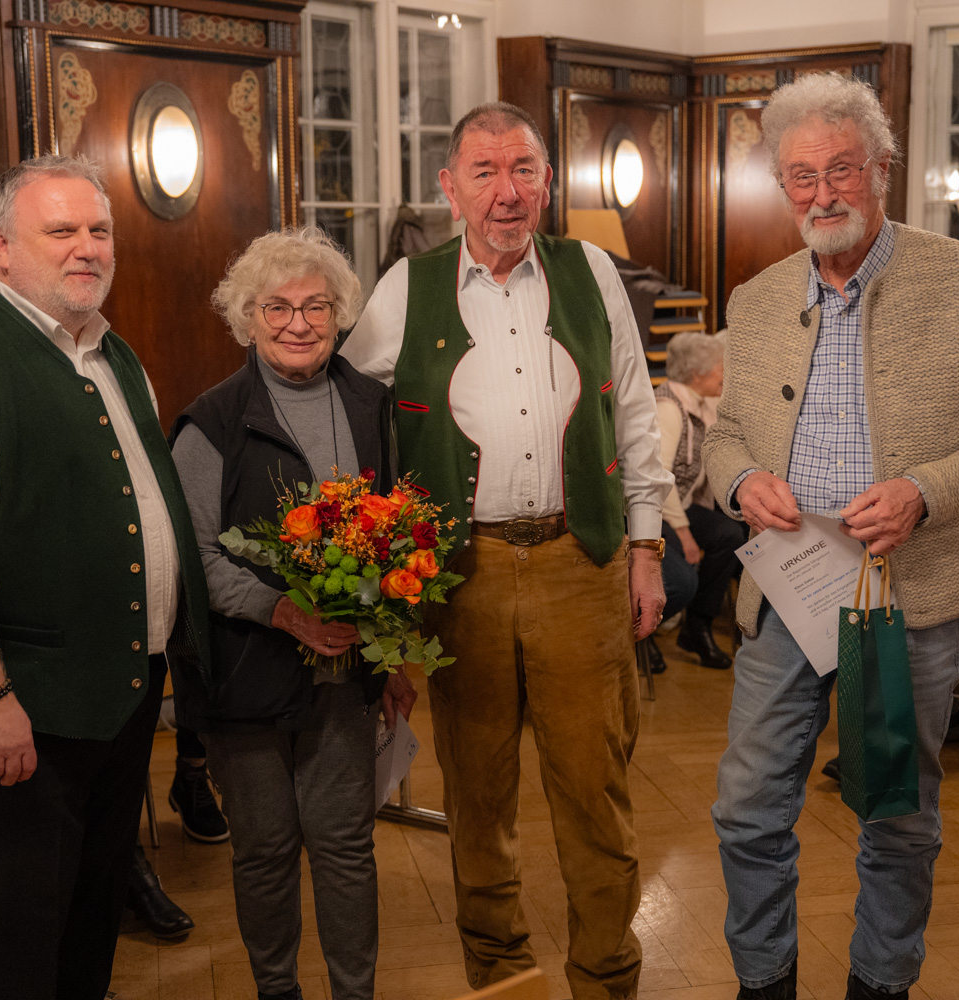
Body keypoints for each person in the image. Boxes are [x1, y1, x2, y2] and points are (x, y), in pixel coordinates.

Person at [700, 74, 959, 1000]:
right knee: (746, 811)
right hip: (789, 592)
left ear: (883, 169)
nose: (822, 194)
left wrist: (924, 493)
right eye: (802, 176)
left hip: (913, 599)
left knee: (896, 818)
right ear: (782, 187)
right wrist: (740, 481)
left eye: (842, 169)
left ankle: (881, 984)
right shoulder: (756, 299)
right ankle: (763, 984)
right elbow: (727, 435)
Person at [343, 101, 672, 1000]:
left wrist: (647, 548)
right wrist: (377, 576)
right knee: (479, 799)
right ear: (450, 188)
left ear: (547, 182)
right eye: (484, 172)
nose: (507, 191)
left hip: (583, 562)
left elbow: (635, 410)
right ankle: (501, 979)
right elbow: (349, 418)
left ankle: (608, 979)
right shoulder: (405, 288)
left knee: (596, 794)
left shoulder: (591, 270)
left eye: (523, 169)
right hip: (463, 577)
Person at [0, 155, 211, 999]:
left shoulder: (113, 354)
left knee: (87, 929)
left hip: (117, 698)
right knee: (14, 943)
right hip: (17, 707)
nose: (86, 247)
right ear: (0, 248)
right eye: (60, 230)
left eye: (99, 230)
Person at [170, 226, 416, 1000]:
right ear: (247, 318)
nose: (298, 323)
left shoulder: (372, 405)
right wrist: (281, 612)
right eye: (276, 307)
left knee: (345, 847)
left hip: (344, 677)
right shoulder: (211, 423)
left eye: (316, 306)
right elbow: (196, 561)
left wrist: (392, 656)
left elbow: (396, 540)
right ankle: (277, 990)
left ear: (339, 315)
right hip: (245, 678)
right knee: (266, 852)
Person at [656, 331, 745, 670]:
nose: (726, 373)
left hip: (682, 504)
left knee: (731, 534)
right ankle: (640, 635)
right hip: (654, 509)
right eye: (720, 366)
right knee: (683, 577)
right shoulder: (668, 407)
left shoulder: (704, 403)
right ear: (697, 374)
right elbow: (659, 481)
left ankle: (698, 625)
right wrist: (685, 534)